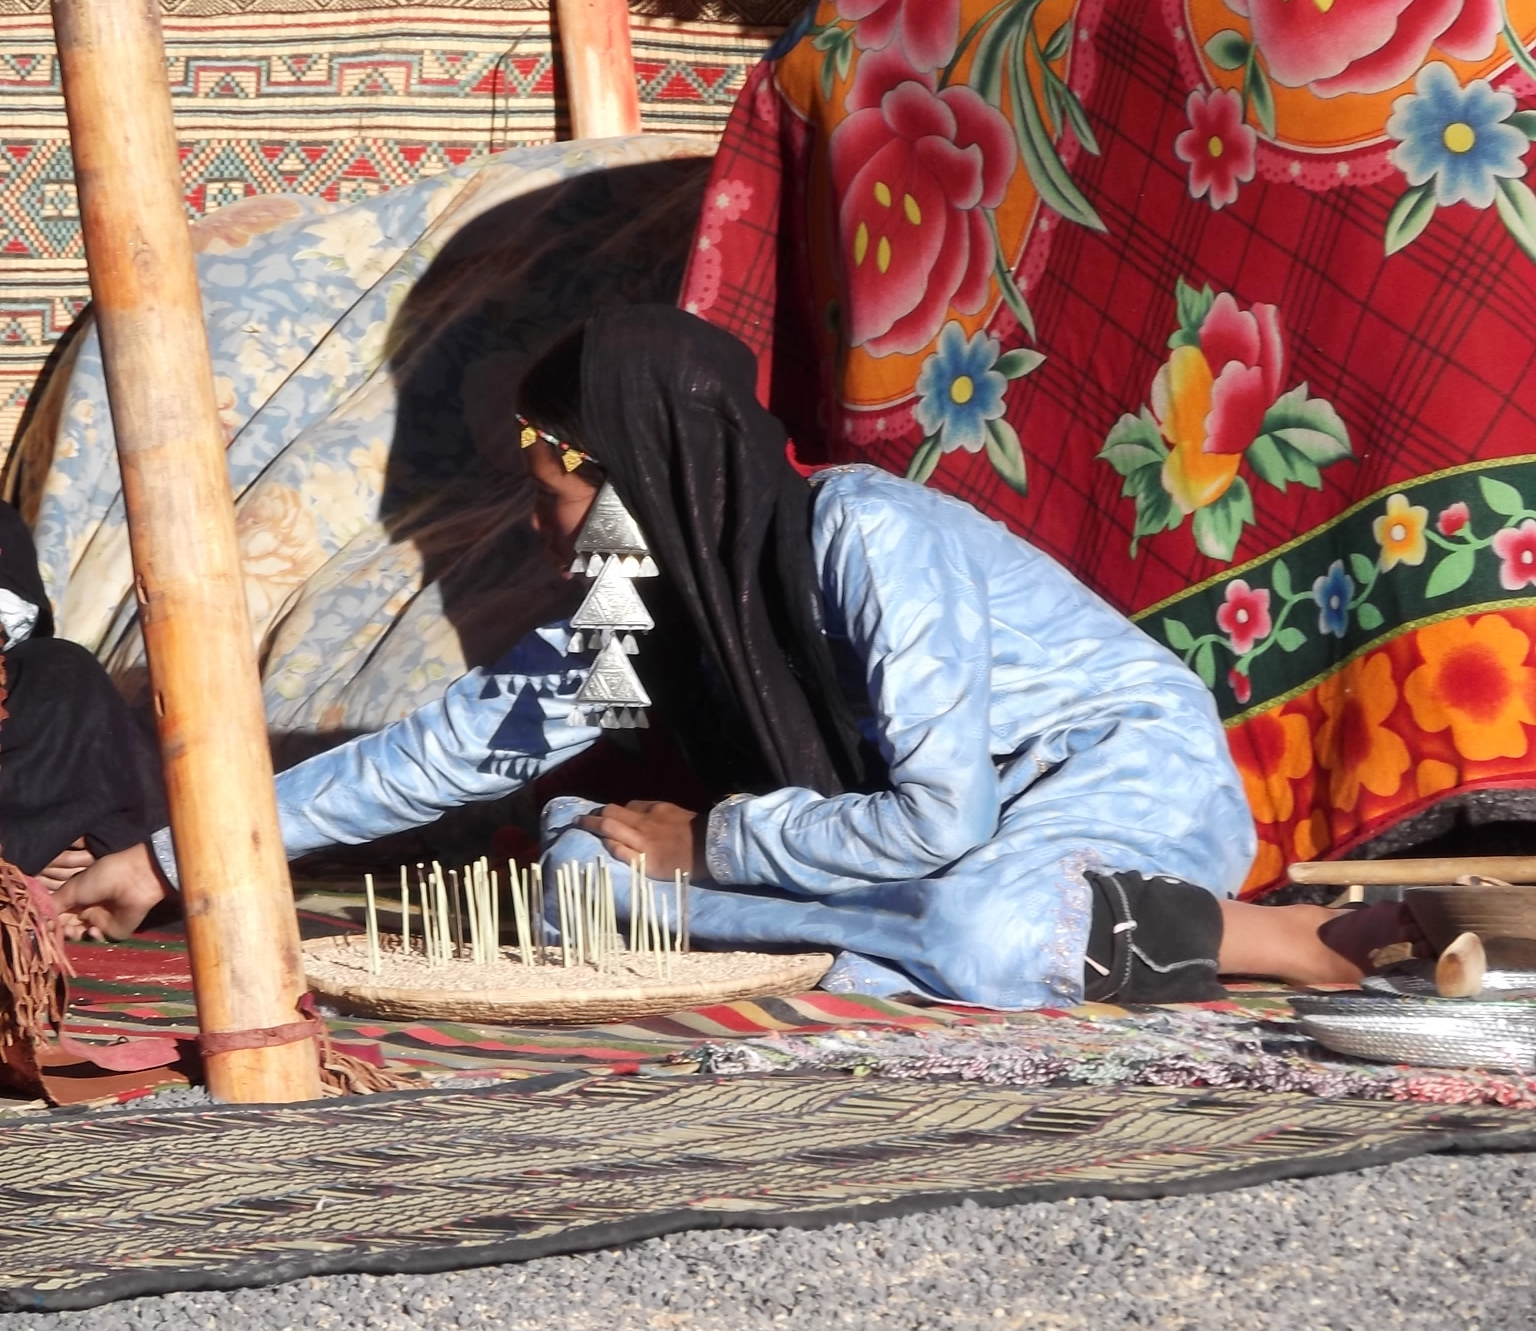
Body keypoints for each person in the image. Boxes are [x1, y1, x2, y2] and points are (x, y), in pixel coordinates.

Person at [55, 308, 1418, 1000]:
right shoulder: (640, 606)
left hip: (1107, 786)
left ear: (641, 474)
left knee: (986, 921)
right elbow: (451, 752)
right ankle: (894, 948)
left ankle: (1270, 937)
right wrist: (170, 860)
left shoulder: (869, 539)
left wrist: (709, 847)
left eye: (551, 490)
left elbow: (946, 816)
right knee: (577, 881)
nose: (535, 525)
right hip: (912, 847)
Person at [0, 496, 168, 912]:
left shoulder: (46, 676)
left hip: (79, 871)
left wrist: (105, 850)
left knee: (63, 670)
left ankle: (111, 870)